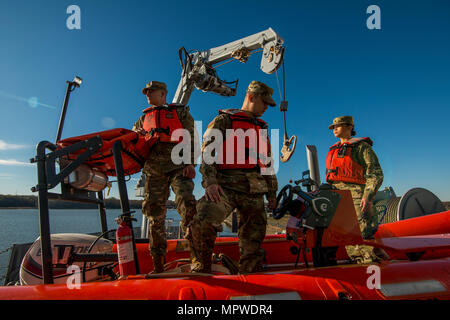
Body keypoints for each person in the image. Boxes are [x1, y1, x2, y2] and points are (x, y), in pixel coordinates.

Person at [188, 80, 278, 274]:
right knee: (203, 219)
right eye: (264, 103)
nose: (266, 109)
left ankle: (250, 275)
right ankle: (201, 267)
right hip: (224, 187)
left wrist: (272, 193)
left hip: (254, 190)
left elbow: (267, 163)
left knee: (253, 237)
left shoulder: (261, 129)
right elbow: (207, 154)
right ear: (252, 97)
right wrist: (210, 183)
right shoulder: (224, 121)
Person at [132, 81, 197, 273]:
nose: (148, 95)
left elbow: (192, 136)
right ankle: (158, 264)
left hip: (179, 166)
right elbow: (134, 140)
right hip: (154, 170)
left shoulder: (180, 113)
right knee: (154, 216)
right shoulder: (143, 118)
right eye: (146, 92)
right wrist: (137, 135)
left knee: (187, 204)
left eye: (151, 92)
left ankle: (197, 257)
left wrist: (191, 162)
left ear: (163, 93)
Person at [326, 116, 387, 263]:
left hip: (357, 195)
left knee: (361, 232)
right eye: (333, 127)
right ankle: (360, 261)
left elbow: (375, 174)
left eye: (338, 126)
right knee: (345, 233)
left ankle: (371, 265)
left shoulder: (362, 147)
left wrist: (368, 195)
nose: (334, 129)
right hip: (338, 195)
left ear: (349, 127)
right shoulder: (334, 149)